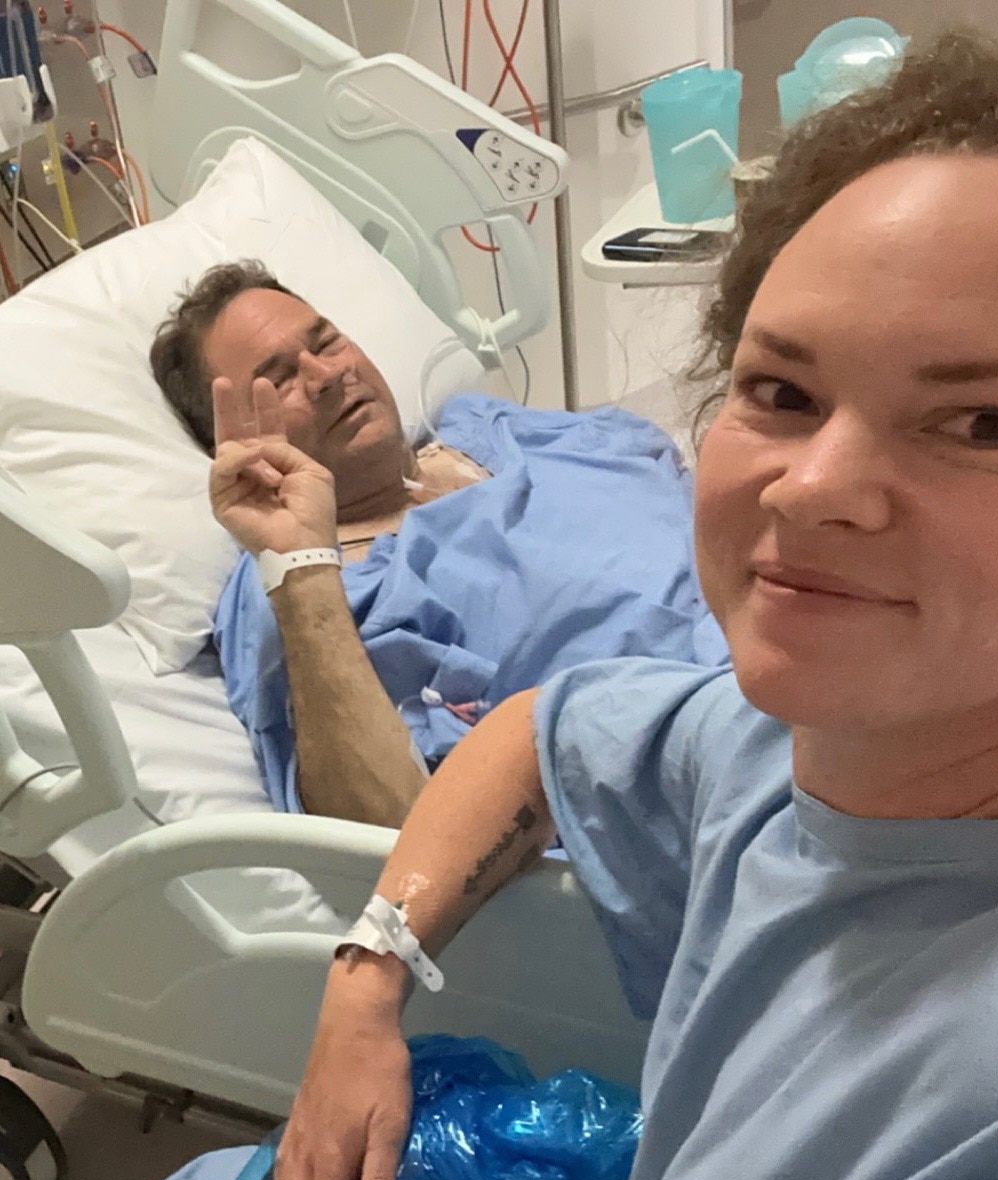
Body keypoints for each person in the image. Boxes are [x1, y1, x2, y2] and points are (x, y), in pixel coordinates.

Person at [274, 33, 998, 1180]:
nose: (807, 489)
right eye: (783, 393)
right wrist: (365, 977)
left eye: (980, 421)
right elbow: (543, 723)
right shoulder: (775, 748)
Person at [150, 263, 726, 827]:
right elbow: (380, 831)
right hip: (710, 781)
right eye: (277, 381)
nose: (325, 373)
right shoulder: (303, 586)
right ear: (233, 442)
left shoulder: (485, 425)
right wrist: (299, 564)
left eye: (325, 340)